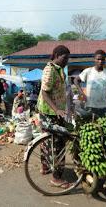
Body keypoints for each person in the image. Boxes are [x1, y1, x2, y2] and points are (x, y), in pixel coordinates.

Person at [37, 45, 70, 188]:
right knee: (57, 143)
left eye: (68, 59)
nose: (66, 61)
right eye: (64, 58)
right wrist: (56, 110)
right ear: (56, 55)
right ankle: (56, 178)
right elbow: (45, 93)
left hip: (57, 111)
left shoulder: (60, 70)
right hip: (49, 112)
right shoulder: (50, 70)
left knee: (47, 140)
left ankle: (45, 166)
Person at [74, 49, 106, 118]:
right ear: (94, 59)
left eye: (102, 59)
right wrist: (81, 93)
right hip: (90, 106)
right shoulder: (88, 71)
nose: (100, 61)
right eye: (98, 59)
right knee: (91, 126)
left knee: (103, 126)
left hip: (104, 106)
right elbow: (76, 80)